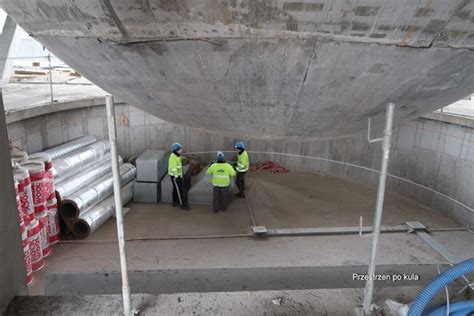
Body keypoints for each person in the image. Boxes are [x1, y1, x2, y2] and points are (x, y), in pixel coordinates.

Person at [168, 143, 190, 211]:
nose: (181, 150)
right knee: (181, 190)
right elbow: (173, 168)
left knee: (175, 189)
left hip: (178, 175)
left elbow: (178, 166)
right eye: (180, 149)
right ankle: (183, 205)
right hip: (175, 176)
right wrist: (176, 176)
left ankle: (175, 202)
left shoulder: (177, 155)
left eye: (181, 149)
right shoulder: (173, 157)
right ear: (176, 150)